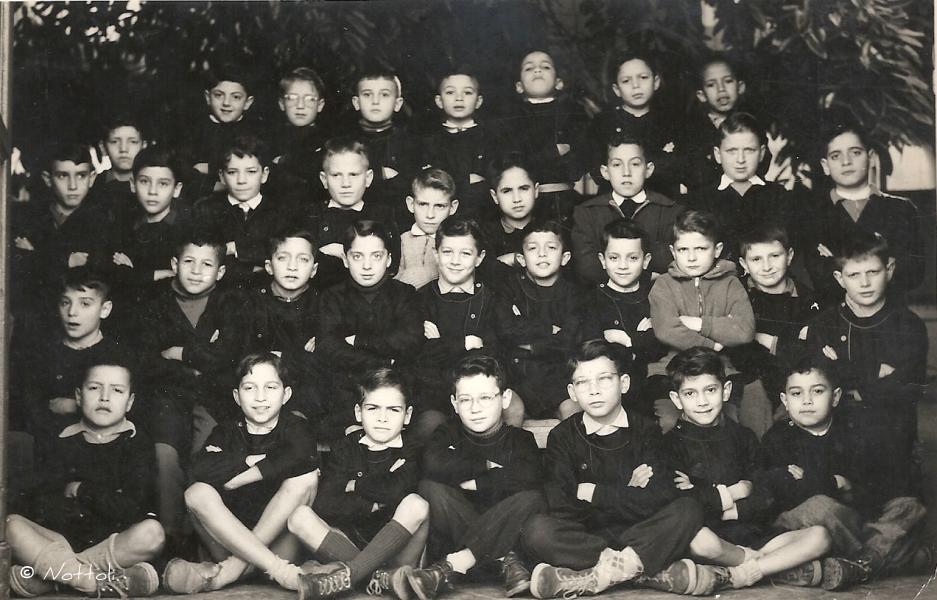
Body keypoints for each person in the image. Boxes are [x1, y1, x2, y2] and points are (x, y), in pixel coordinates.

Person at [521, 340, 730, 598]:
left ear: (624, 383)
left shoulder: (646, 430)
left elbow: (659, 497)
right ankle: (646, 570)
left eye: (604, 379)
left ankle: (599, 575)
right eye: (583, 382)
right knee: (537, 531)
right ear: (572, 392)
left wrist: (594, 493)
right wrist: (628, 490)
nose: (594, 391)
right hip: (591, 536)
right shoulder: (562, 436)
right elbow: (561, 506)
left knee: (688, 508)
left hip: (640, 530)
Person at [663, 347, 861, 592]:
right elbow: (683, 501)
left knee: (819, 536)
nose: (702, 402)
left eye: (710, 390)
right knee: (701, 542)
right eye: (690, 393)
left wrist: (719, 499)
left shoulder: (744, 437)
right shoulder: (669, 444)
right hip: (710, 537)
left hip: (754, 536)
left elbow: (765, 493)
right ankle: (770, 567)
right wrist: (736, 491)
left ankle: (742, 571)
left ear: (726, 390)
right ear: (676, 399)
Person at [757, 357, 931, 588]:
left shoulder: (853, 431)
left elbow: (874, 488)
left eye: (817, 391)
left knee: (909, 507)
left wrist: (822, 482)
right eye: (796, 394)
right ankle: (891, 557)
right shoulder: (777, 438)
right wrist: (836, 483)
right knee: (821, 506)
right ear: (785, 401)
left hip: (857, 522)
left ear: (836, 397)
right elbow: (787, 493)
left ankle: (859, 564)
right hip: (810, 527)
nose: (807, 401)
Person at [162, 353, 320, 593]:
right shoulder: (225, 431)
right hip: (229, 543)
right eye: (249, 388)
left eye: (270, 387)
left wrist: (241, 477)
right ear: (237, 396)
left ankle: (228, 572)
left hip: (280, 546)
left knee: (305, 479)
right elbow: (201, 468)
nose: (260, 397)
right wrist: (252, 461)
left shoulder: (295, 426)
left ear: (286, 394)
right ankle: (278, 571)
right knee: (196, 492)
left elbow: (302, 455)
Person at [7, 359, 164, 598]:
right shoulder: (60, 441)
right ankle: (90, 580)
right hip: (62, 541)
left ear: (130, 402)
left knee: (153, 533)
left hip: (114, 544)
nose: (104, 397)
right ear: (79, 397)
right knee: (10, 524)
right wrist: (104, 498)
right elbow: (42, 502)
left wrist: (81, 490)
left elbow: (131, 508)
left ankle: (57, 578)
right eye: (94, 388)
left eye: (117, 390)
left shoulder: (137, 444)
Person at [133, 230, 245, 550]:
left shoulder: (230, 302)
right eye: (188, 262)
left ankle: (204, 539)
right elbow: (146, 361)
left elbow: (230, 353)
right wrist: (199, 364)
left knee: (207, 454)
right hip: (168, 397)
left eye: (206, 264)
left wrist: (180, 352)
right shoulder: (156, 303)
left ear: (220, 272)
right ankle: (171, 540)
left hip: (214, 397)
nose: (196, 271)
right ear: (174, 264)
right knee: (165, 454)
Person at [406, 355, 544, 600]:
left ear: (505, 398)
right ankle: (503, 558)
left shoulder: (520, 439)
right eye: (465, 399)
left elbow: (529, 475)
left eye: (485, 398)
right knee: (430, 488)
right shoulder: (446, 433)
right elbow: (432, 464)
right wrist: (487, 466)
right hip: (504, 560)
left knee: (532, 497)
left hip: (457, 565)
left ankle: (455, 563)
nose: (475, 408)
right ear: (454, 403)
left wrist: (476, 482)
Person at [290, 368, 428, 600]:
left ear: (407, 415)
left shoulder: (413, 447)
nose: (382, 418)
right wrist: (371, 504)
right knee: (299, 517)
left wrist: (355, 484)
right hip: (349, 542)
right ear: (358, 412)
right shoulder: (346, 447)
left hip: (400, 550)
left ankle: (348, 575)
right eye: (372, 408)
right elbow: (325, 503)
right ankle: (379, 578)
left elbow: (397, 490)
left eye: (393, 410)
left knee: (416, 504)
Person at [648, 209, 756, 431]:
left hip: (721, 369)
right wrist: (712, 344)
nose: (691, 257)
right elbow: (666, 329)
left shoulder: (731, 284)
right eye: (683, 250)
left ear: (717, 250)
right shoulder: (664, 285)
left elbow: (744, 330)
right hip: (671, 369)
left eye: (700, 249)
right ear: (673, 251)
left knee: (731, 422)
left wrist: (698, 323)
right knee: (669, 423)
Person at [317, 220, 422, 439]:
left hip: (395, 389)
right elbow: (329, 347)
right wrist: (383, 360)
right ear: (345, 259)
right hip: (346, 391)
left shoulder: (405, 293)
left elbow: (410, 340)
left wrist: (359, 341)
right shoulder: (332, 297)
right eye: (357, 256)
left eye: (376, 256)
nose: (367, 266)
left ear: (389, 259)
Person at [801, 120, 924, 303]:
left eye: (856, 152)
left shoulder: (902, 209)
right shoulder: (812, 214)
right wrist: (881, 260)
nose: (846, 162)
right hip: (835, 314)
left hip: (889, 314)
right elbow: (817, 278)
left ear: (871, 157)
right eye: (836, 156)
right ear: (826, 166)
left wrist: (836, 261)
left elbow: (914, 272)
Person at [412, 217, 512, 440]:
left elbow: (493, 354)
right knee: (430, 424)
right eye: (447, 252)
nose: (455, 261)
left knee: (510, 410)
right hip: (435, 394)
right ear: (436, 254)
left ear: (479, 258)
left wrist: (440, 343)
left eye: (465, 253)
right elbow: (422, 359)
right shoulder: (420, 299)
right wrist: (465, 343)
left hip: (480, 392)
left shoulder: (491, 300)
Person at [15, 268, 122, 463]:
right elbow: (29, 409)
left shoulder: (119, 356)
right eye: (65, 302)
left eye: (85, 303)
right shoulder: (42, 354)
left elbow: (130, 411)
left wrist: (75, 406)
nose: (72, 312)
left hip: (106, 453)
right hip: (52, 450)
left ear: (105, 309)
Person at [727, 223, 820, 416]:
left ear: (790, 256)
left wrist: (762, 338)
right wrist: (784, 345)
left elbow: (810, 351)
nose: (767, 267)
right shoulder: (735, 295)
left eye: (775, 256)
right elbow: (737, 352)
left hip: (795, 381)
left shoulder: (808, 299)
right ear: (744, 264)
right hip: (750, 384)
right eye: (756, 259)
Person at [496, 219, 585, 419]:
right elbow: (505, 330)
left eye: (551, 247)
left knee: (572, 410)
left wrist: (531, 345)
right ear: (521, 258)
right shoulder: (510, 287)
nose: (542, 254)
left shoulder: (573, 294)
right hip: (517, 375)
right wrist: (549, 329)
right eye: (533, 248)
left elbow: (570, 341)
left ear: (565, 257)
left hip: (558, 376)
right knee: (511, 409)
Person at [571, 134, 682, 284]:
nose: (626, 172)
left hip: (654, 293)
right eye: (617, 164)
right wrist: (647, 274)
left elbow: (669, 260)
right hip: (604, 294)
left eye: (635, 164)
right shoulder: (587, 212)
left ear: (648, 170)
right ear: (605, 172)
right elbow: (587, 266)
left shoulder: (670, 211)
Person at [581, 219, 666, 416]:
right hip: (607, 388)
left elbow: (660, 345)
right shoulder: (592, 299)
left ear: (646, 260)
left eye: (632, 258)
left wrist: (627, 340)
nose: (623, 266)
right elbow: (593, 348)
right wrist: (641, 340)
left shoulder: (655, 295)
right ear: (603, 260)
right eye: (614, 258)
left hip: (648, 387)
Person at [192, 135, 302, 287]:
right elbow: (203, 257)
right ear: (222, 176)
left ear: (264, 174)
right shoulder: (205, 209)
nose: (241, 180)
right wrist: (252, 268)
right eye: (232, 172)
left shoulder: (281, 211)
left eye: (251, 171)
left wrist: (236, 248)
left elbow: (284, 254)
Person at [242, 227, 327, 422]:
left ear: (314, 269)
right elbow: (245, 354)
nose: (292, 267)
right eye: (282, 258)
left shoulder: (323, 304)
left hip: (307, 399)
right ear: (269, 266)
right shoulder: (252, 301)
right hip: (258, 395)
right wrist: (299, 356)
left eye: (303, 259)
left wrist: (282, 356)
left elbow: (323, 363)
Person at [12, 143, 113, 304]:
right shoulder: (28, 219)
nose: (73, 186)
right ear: (48, 179)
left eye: (81, 175)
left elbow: (96, 272)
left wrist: (36, 257)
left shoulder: (102, 221)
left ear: (92, 178)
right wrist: (67, 261)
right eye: (62, 176)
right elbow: (17, 269)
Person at [498, 49, 587, 225]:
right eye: (529, 68)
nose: (537, 70)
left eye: (545, 67)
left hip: (564, 200)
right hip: (523, 202)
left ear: (559, 82)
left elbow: (578, 163)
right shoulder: (511, 119)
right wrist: (553, 152)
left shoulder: (572, 114)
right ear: (519, 86)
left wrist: (533, 157)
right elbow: (511, 160)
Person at [694, 113, 796, 263]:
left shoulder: (778, 196)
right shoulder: (701, 199)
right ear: (717, 154)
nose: (740, 160)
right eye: (731, 151)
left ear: (761, 153)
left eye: (749, 150)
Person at [305, 136, 399, 290]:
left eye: (353, 175)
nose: (346, 184)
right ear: (324, 179)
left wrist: (334, 253)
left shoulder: (382, 215)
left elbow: (392, 263)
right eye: (336, 175)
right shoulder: (312, 215)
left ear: (368, 178)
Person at [583, 51, 681, 197]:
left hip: (662, 199)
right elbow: (596, 169)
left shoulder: (672, 122)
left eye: (643, 77)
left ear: (656, 82)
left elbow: (679, 167)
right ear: (617, 89)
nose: (636, 85)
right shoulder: (603, 122)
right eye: (626, 81)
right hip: (613, 200)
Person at [110, 146, 191, 311]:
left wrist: (133, 273)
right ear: (132, 184)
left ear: (176, 189)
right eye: (144, 181)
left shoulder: (186, 228)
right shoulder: (124, 222)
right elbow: (108, 271)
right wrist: (157, 274)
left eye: (163, 184)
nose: (152, 191)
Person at [420, 67, 494, 219]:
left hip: (485, 214)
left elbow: (494, 179)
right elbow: (432, 181)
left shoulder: (491, 138)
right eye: (450, 92)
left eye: (467, 92)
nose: (459, 98)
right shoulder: (429, 141)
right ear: (439, 101)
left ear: (478, 101)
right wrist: (467, 179)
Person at [350, 65, 418, 204]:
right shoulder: (345, 142)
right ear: (356, 103)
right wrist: (381, 174)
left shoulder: (410, 143)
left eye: (384, 95)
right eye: (367, 94)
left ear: (397, 104)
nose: (375, 101)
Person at [395, 168, 458, 290]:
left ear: (452, 207)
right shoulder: (401, 240)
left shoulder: (456, 242)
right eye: (423, 204)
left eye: (439, 206)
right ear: (411, 204)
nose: (430, 215)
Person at [479, 152, 539, 278]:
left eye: (523, 188)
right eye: (507, 191)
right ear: (495, 196)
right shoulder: (485, 234)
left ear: (536, 190)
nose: (517, 199)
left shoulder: (552, 229)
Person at [271, 67, 330, 187]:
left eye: (310, 99)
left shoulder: (326, 142)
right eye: (292, 98)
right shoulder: (272, 139)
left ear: (320, 105)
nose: (300, 105)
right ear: (282, 103)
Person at [91, 114, 148, 229]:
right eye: (115, 141)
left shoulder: (152, 187)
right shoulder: (93, 185)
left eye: (133, 142)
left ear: (144, 146)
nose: (123, 149)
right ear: (103, 148)